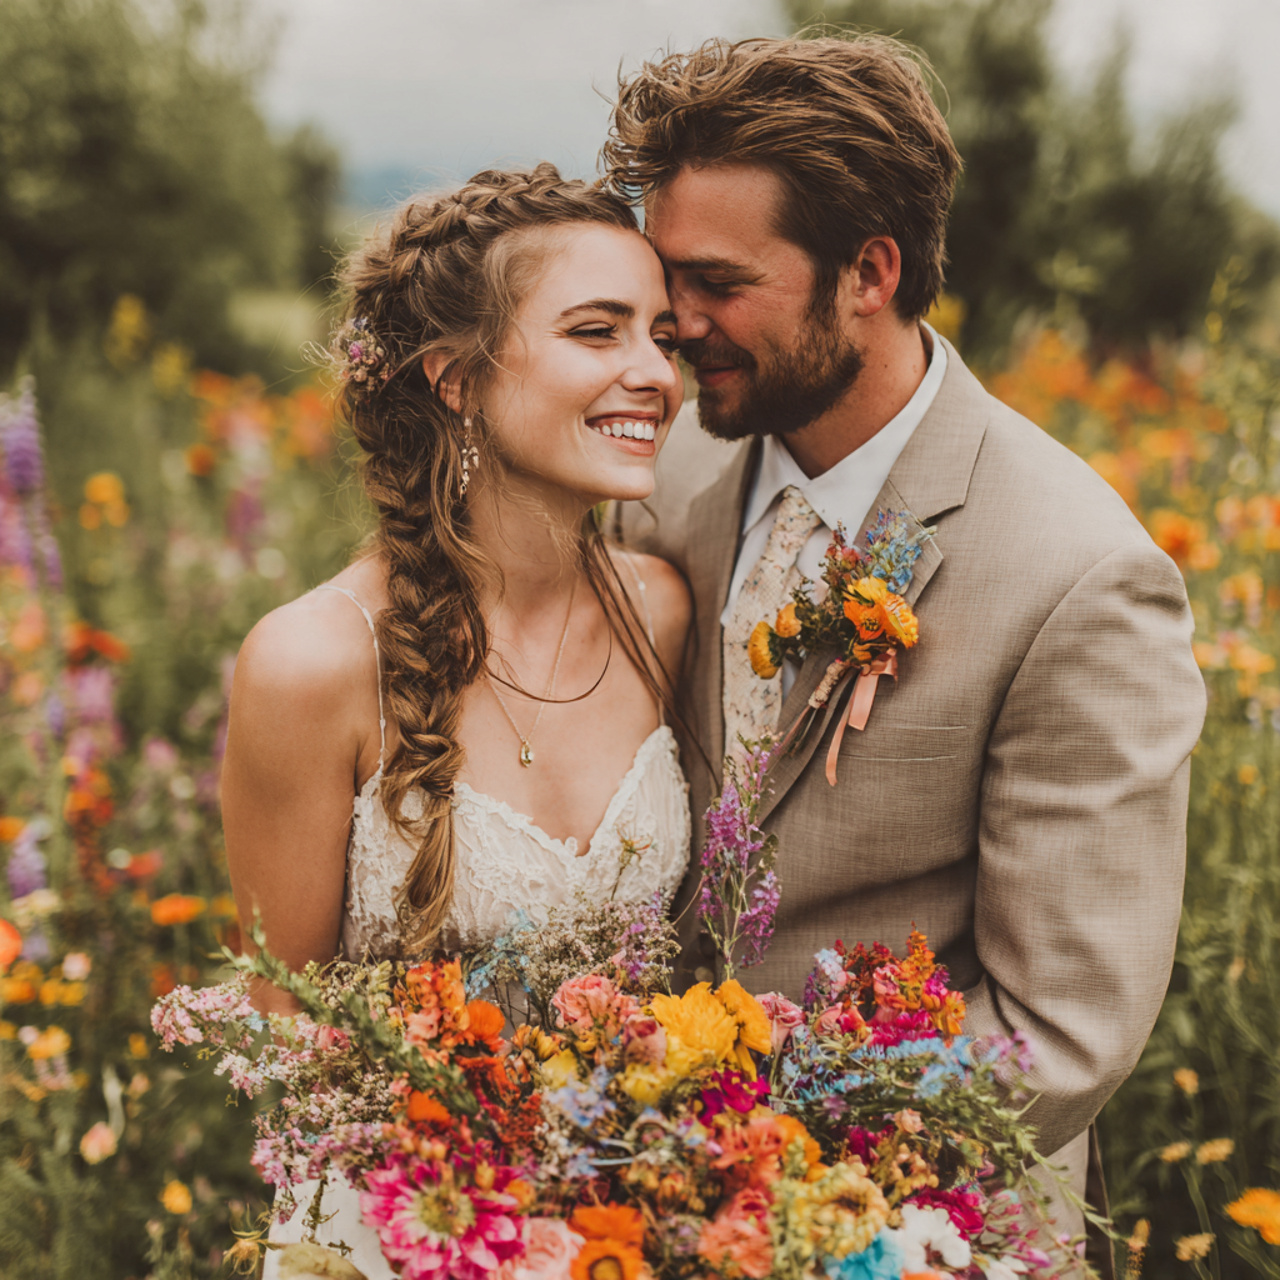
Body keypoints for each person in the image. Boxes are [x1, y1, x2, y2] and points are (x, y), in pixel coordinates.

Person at [606, 34, 1206, 1271]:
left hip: (924, 1226)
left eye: (717, 280)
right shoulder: (653, 480)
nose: (675, 322)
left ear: (868, 269)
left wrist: (754, 1167)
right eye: (666, 276)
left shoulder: (1079, 576)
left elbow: (1058, 1029)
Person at [221, 164, 692, 1275]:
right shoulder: (312, 662)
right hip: (399, 1232)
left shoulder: (661, 612)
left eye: (660, 335)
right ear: (456, 378)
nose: (653, 373)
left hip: (638, 1228)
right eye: (596, 330)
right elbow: (278, 1029)